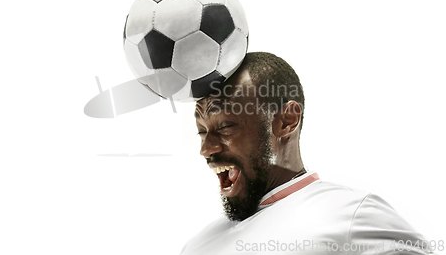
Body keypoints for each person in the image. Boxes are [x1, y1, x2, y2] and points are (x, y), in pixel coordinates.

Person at [180, 52, 434, 255]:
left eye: (225, 126)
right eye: (202, 131)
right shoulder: (196, 246)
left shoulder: (353, 216)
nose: (206, 149)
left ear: (286, 120)